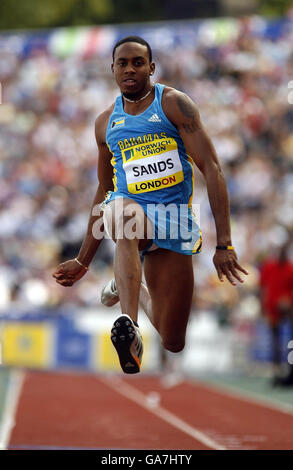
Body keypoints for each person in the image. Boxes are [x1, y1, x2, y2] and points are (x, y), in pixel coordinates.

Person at [53, 36, 248, 374]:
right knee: (123, 213)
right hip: (131, 214)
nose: (130, 68)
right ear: (112, 69)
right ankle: (129, 327)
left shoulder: (173, 104)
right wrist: (83, 260)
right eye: (123, 63)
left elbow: (212, 170)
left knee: (174, 341)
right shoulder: (105, 123)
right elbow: (104, 188)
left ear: (151, 67)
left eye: (138, 62)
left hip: (174, 219)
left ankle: (127, 284)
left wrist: (225, 243)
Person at [259, 242, 293, 386]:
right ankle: (276, 371)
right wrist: (264, 306)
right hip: (272, 308)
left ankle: (289, 371)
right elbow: (263, 287)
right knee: (275, 342)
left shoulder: (290, 269)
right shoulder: (269, 266)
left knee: (289, 340)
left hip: (288, 308)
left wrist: (288, 300)